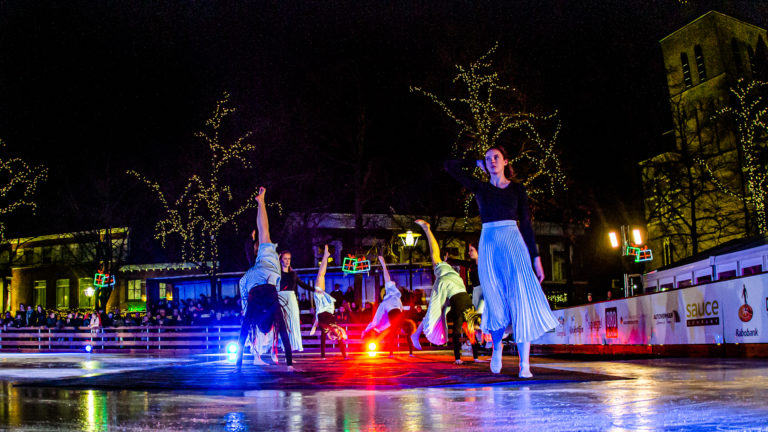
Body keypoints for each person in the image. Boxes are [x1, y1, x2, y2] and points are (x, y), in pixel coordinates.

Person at [445, 146, 558, 377]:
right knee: (494, 300)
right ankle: (496, 347)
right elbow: (450, 166)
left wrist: (535, 257)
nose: (492, 161)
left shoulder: (517, 189)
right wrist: (476, 162)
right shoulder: (480, 187)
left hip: (513, 242)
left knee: (521, 299)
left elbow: (526, 224)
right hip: (489, 242)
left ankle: (524, 364)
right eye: (488, 159)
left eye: (496, 157)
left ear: (506, 161)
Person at [235, 187, 293, 371]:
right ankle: (260, 203)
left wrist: (290, 364)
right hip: (252, 280)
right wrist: (238, 364)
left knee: (264, 232)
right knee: (262, 236)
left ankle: (262, 201)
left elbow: (284, 333)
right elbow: (243, 334)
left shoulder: (275, 310)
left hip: (269, 275)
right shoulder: (253, 311)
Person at [409, 219, 483, 365]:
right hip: (460, 292)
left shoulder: (449, 269)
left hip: (458, 293)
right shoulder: (451, 267)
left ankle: (470, 355)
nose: (469, 253)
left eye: (471, 250)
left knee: (437, 313)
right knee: (447, 316)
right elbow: (458, 262)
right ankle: (473, 355)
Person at [361, 256, 415, 357]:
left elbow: (376, 320)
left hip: (394, 317)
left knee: (393, 333)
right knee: (394, 332)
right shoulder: (393, 299)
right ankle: (406, 352)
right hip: (395, 317)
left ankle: (396, 352)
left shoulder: (390, 298)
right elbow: (377, 320)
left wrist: (383, 264)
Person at [309, 244, 348, 359]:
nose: (334, 336)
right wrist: (345, 356)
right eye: (336, 335)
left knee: (320, 276)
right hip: (328, 306)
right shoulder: (334, 328)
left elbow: (318, 321)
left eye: (333, 337)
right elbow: (340, 339)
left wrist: (314, 328)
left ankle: (326, 255)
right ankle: (326, 255)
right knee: (321, 276)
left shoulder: (325, 329)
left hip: (321, 305)